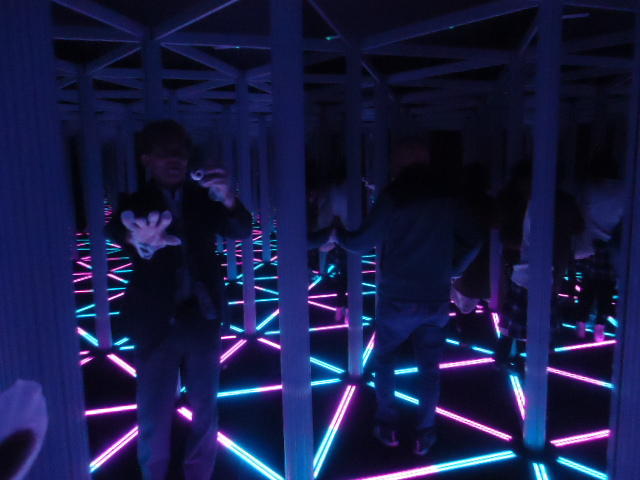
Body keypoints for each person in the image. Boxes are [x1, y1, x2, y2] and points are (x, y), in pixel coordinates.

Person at [106, 120, 252, 480]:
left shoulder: (204, 197)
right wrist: (139, 241)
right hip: (155, 321)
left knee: (206, 406)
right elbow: (119, 230)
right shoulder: (134, 202)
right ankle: (154, 474)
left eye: (181, 152)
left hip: (202, 316)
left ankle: (198, 474)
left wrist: (229, 197)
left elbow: (241, 229)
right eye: (165, 152)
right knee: (153, 409)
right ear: (147, 159)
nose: (175, 159)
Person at [334, 139, 482, 456]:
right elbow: (474, 238)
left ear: (400, 162)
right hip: (435, 296)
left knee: (386, 358)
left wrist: (336, 232)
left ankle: (387, 423)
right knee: (429, 368)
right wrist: (454, 268)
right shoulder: (448, 198)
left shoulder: (394, 196)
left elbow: (360, 243)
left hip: (397, 296)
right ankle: (425, 432)